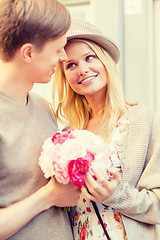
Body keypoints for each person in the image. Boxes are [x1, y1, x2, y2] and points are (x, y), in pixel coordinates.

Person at [52, 20, 160, 240]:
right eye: (70, 65)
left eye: (89, 57)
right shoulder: (69, 134)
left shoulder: (141, 119)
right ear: (65, 77)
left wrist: (116, 195)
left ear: (105, 60)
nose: (82, 70)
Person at [0, 1, 81, 239]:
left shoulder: (43, 107)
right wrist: (49, 197)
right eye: (58, 50)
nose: (64, 57)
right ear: (28, 52)